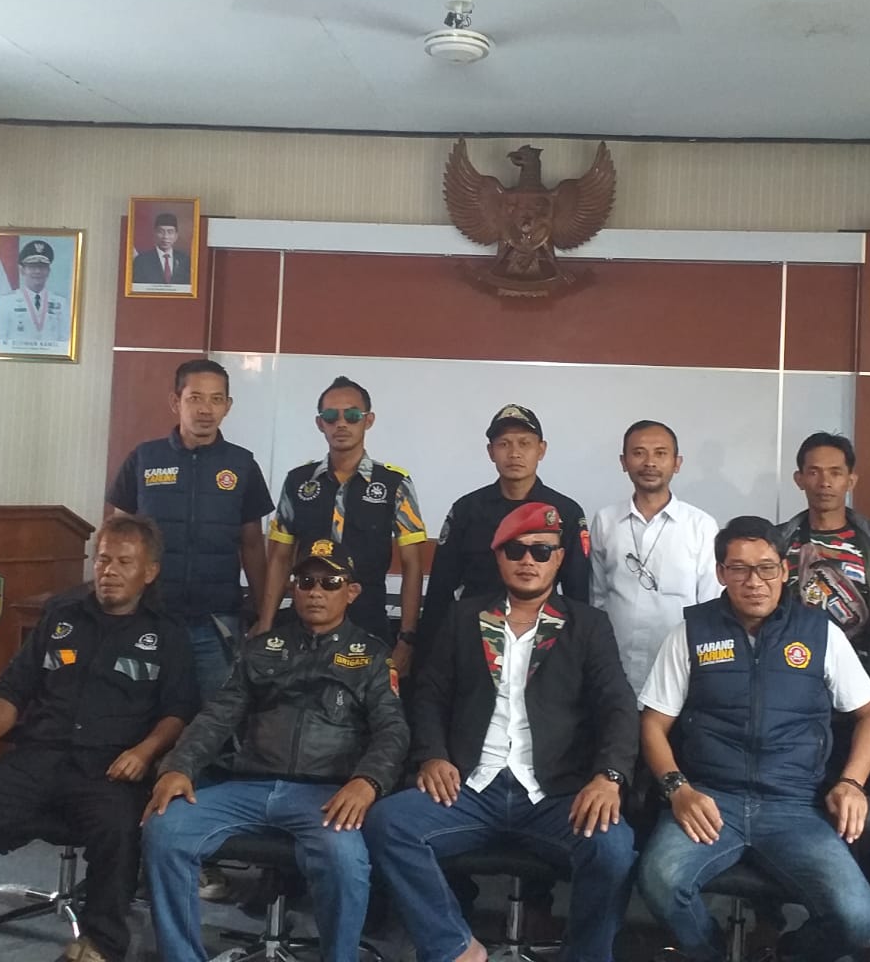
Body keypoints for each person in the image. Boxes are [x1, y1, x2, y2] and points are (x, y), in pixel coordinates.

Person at [0, 515, 197, 962]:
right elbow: (13, 688)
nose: (109, 571)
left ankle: (99, 946)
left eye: (124, 562)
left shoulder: (168, 633)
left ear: (150, 572)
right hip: (35, 761)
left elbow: (178, 712)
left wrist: (144, 753)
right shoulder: (61, 615)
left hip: (108, 770)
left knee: (120, 831)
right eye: (103, 559)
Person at [364, 503, 638, 962]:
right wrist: (432, 755)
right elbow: (429, 695)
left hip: (555, 794)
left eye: (541, 551)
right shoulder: (464, 617)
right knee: (387, 824)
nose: (528, 560)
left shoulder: (588, 625)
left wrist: (609, 776)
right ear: (498, 556)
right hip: (470, 787)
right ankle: (454, 945)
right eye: (516, 550)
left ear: (558, 558)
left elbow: (618, 706)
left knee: (613, 850)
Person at [141, 538, 409, 962]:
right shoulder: (262, 648)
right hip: (249, 785)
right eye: (305, 581)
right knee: (165, 827)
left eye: (330, 582)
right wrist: (179, 766)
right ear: (293, 588)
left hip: (326, 795)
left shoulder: (374, 657)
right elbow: (216, 716)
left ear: (352, 592)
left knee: (345, 859)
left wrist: (368, 781)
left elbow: (393, 731)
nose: (316, 591)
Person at [635, 515, 870, 962]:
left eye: (766, 568)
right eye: (739, 569)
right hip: (711, 799)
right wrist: (677, 789)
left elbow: (867, 714)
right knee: (659, 882)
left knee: (856, 917)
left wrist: (852, 782)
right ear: (720, 573)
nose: (754, 582)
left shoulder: (819, 633)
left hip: (795, 805)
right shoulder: (692, 632)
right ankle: (709, 954)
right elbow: (653, 723)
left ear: (784, 570)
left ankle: (783, 955)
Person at [107, 358, 274, 697]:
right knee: (138, 708)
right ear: (176, 402)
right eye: (195, 398)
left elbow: (253, 544)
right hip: (148, 614)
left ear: (228, 406)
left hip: (216, 620)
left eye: (216, 399)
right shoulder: (144, 458)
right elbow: (115, 536)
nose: (205, 409)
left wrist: (262, 612)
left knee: (217, 714)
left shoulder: (242, 464)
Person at [256, 376, 427, 672]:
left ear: (368, 420)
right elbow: (280, 558)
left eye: (352, 415)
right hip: (304, 621)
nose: (341, 424)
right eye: (331, 416)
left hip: (368, 620)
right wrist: (266, 623)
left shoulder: (394, 483)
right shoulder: (298, 481)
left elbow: (413, 565)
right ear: (319, 423)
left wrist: (407, 638)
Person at [417, 403, 590, 663]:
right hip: (473, 638)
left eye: (524, 443)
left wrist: (577, 656)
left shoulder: (565, 512)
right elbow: (440, 589)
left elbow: (578, 594)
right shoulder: (467, 510)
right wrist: (426, 655)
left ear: (541, 450)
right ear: (491, 452)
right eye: (504, 444)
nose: (514, 453)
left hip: (542, 640)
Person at [589, 419, 720, 693]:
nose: (649, 462)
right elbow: (597, 599)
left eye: (660, 453)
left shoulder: (701, 526)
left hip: (679, 673)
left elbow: (711, 606)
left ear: (677, 463)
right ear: (623, 462)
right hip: (614, 670)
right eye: (639, 453)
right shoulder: (605, 521)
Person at [776, 431, 870, 689]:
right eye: (814, 472)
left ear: (851, 481)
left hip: (864, 680)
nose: (825, 482)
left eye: (835, 473)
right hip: (791, 677)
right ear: (799, 479)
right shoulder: (779, 541)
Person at [0, 238, 69, 347]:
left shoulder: (61, 303)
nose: (37, 271)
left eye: (42, 267)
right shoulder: (7, 302)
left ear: (48, 271)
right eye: (32, 267)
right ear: (22, 271)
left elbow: (66, 341)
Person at [131, 211, 192, 286]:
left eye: (170, 232)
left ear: (176, 236)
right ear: (154, 234)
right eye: (161, 232)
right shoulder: (141, 260)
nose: (165, 237)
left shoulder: (185, 260)